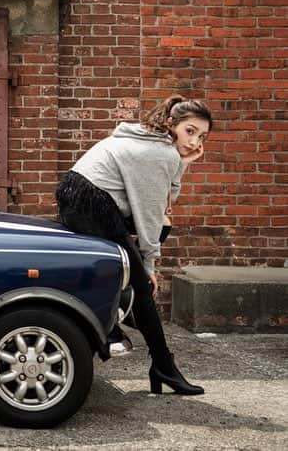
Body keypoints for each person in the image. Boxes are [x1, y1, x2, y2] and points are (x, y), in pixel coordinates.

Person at [55, 95, 212, 395]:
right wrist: (149, 265)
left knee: (136, 269)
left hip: (80, 196)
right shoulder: (159, 153)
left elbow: (167, 197)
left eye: (202, 136)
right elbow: (150, 213)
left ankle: (124, 332)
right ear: (172, 124)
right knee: (140, 283)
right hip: (90, 202)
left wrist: (182, 164)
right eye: (190, 131)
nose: (195, 142)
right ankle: (161, 364)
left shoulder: (155, 143)